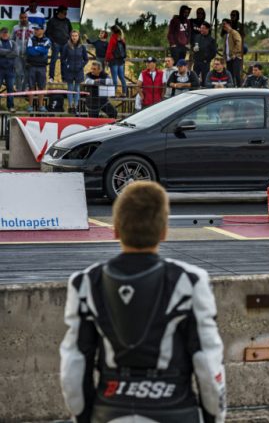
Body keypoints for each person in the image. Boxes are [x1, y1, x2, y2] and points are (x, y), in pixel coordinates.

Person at [59, 181, 226, 422]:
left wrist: (84, 417)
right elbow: (208, 364)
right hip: (175, 410)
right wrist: (215, 417)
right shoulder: (190, 281)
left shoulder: (84, 282)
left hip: (109, 410)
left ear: (115, 229)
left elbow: (74, 366)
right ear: (164, 232)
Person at [61, 30, 89, 114]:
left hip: (79, 71)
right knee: (70, 89)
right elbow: (62, 59)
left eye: (76, 35)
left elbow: (86, 59)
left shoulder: (82, 47)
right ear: (70, 36)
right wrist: (67, 65)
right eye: (73, 35)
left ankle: (76, 106)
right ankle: (70, 106)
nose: (74, 37)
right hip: (69, 71)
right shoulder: (67, 46)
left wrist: (81, 65)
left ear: (78, 36)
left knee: (77, 88)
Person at [26, 24, 51, 112]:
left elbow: (45, 51)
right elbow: (29, 51)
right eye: (34, 29)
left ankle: (41, 106)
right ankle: (30, 106)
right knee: (31, 87)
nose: (35, 31)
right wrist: (39, 49)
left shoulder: (47, 40)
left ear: (42, 30)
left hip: (42, 67)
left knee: (41, 87)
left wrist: (35, 48)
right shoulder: (30, 39)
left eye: (37, 29)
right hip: (32, 66)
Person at [46, 5, 72, 82]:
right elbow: (48, 33)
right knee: (53, 61)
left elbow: (70, 31)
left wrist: (69, 40)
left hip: (65, 44)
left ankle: (64, 78)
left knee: (64, 61)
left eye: (66, 13)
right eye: (64, 13)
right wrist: (53, 42)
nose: (65, 14)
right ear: (59, 13)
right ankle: (51, 78)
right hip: (56, 44)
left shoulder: (67, 21)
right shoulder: (52, 20)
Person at [12, 11, 34, 96]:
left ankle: (25, 89)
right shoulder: (15, 28)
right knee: (18, 72)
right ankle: (18, 89)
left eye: (25, 17)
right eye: (22, 17)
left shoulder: (32, 27)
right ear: (19, 18)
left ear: (27, 18)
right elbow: (12, 40)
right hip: (17, 55)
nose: (23, 19)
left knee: (27, 73)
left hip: (28, 55)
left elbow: (35, 40)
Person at [105, 25, 127, 96]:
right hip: (121, 61)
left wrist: (107, 59)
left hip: (113, 60)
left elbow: (109, 49)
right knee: (122, 77)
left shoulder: (113, 37)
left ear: (113, 31)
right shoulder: (122, 38)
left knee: (114, 78)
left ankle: (113, 94)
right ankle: (124, 93)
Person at [221, 19, 243, 87]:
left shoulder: (234, 32)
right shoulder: (226, 35)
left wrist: (234, 53)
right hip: (229, 58)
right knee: (230, 76)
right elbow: (226, 47)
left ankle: (240, 90)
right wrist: (224, 56)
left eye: (224, 24)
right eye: (222, 24)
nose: (223, 25)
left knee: (236, 75)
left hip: (235, 57)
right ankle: (232, 89)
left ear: (229, 24)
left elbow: (239, 43)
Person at [0, 28, 17, 112]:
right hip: (0, 70)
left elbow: (15, 53)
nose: (5, 34)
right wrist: (9, 52)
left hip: (10, 70)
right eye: (3, 33)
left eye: (6, 33)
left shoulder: (13, 43)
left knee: (10, 89)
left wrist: (4, 54)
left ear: (9, 34)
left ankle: (10, 106)